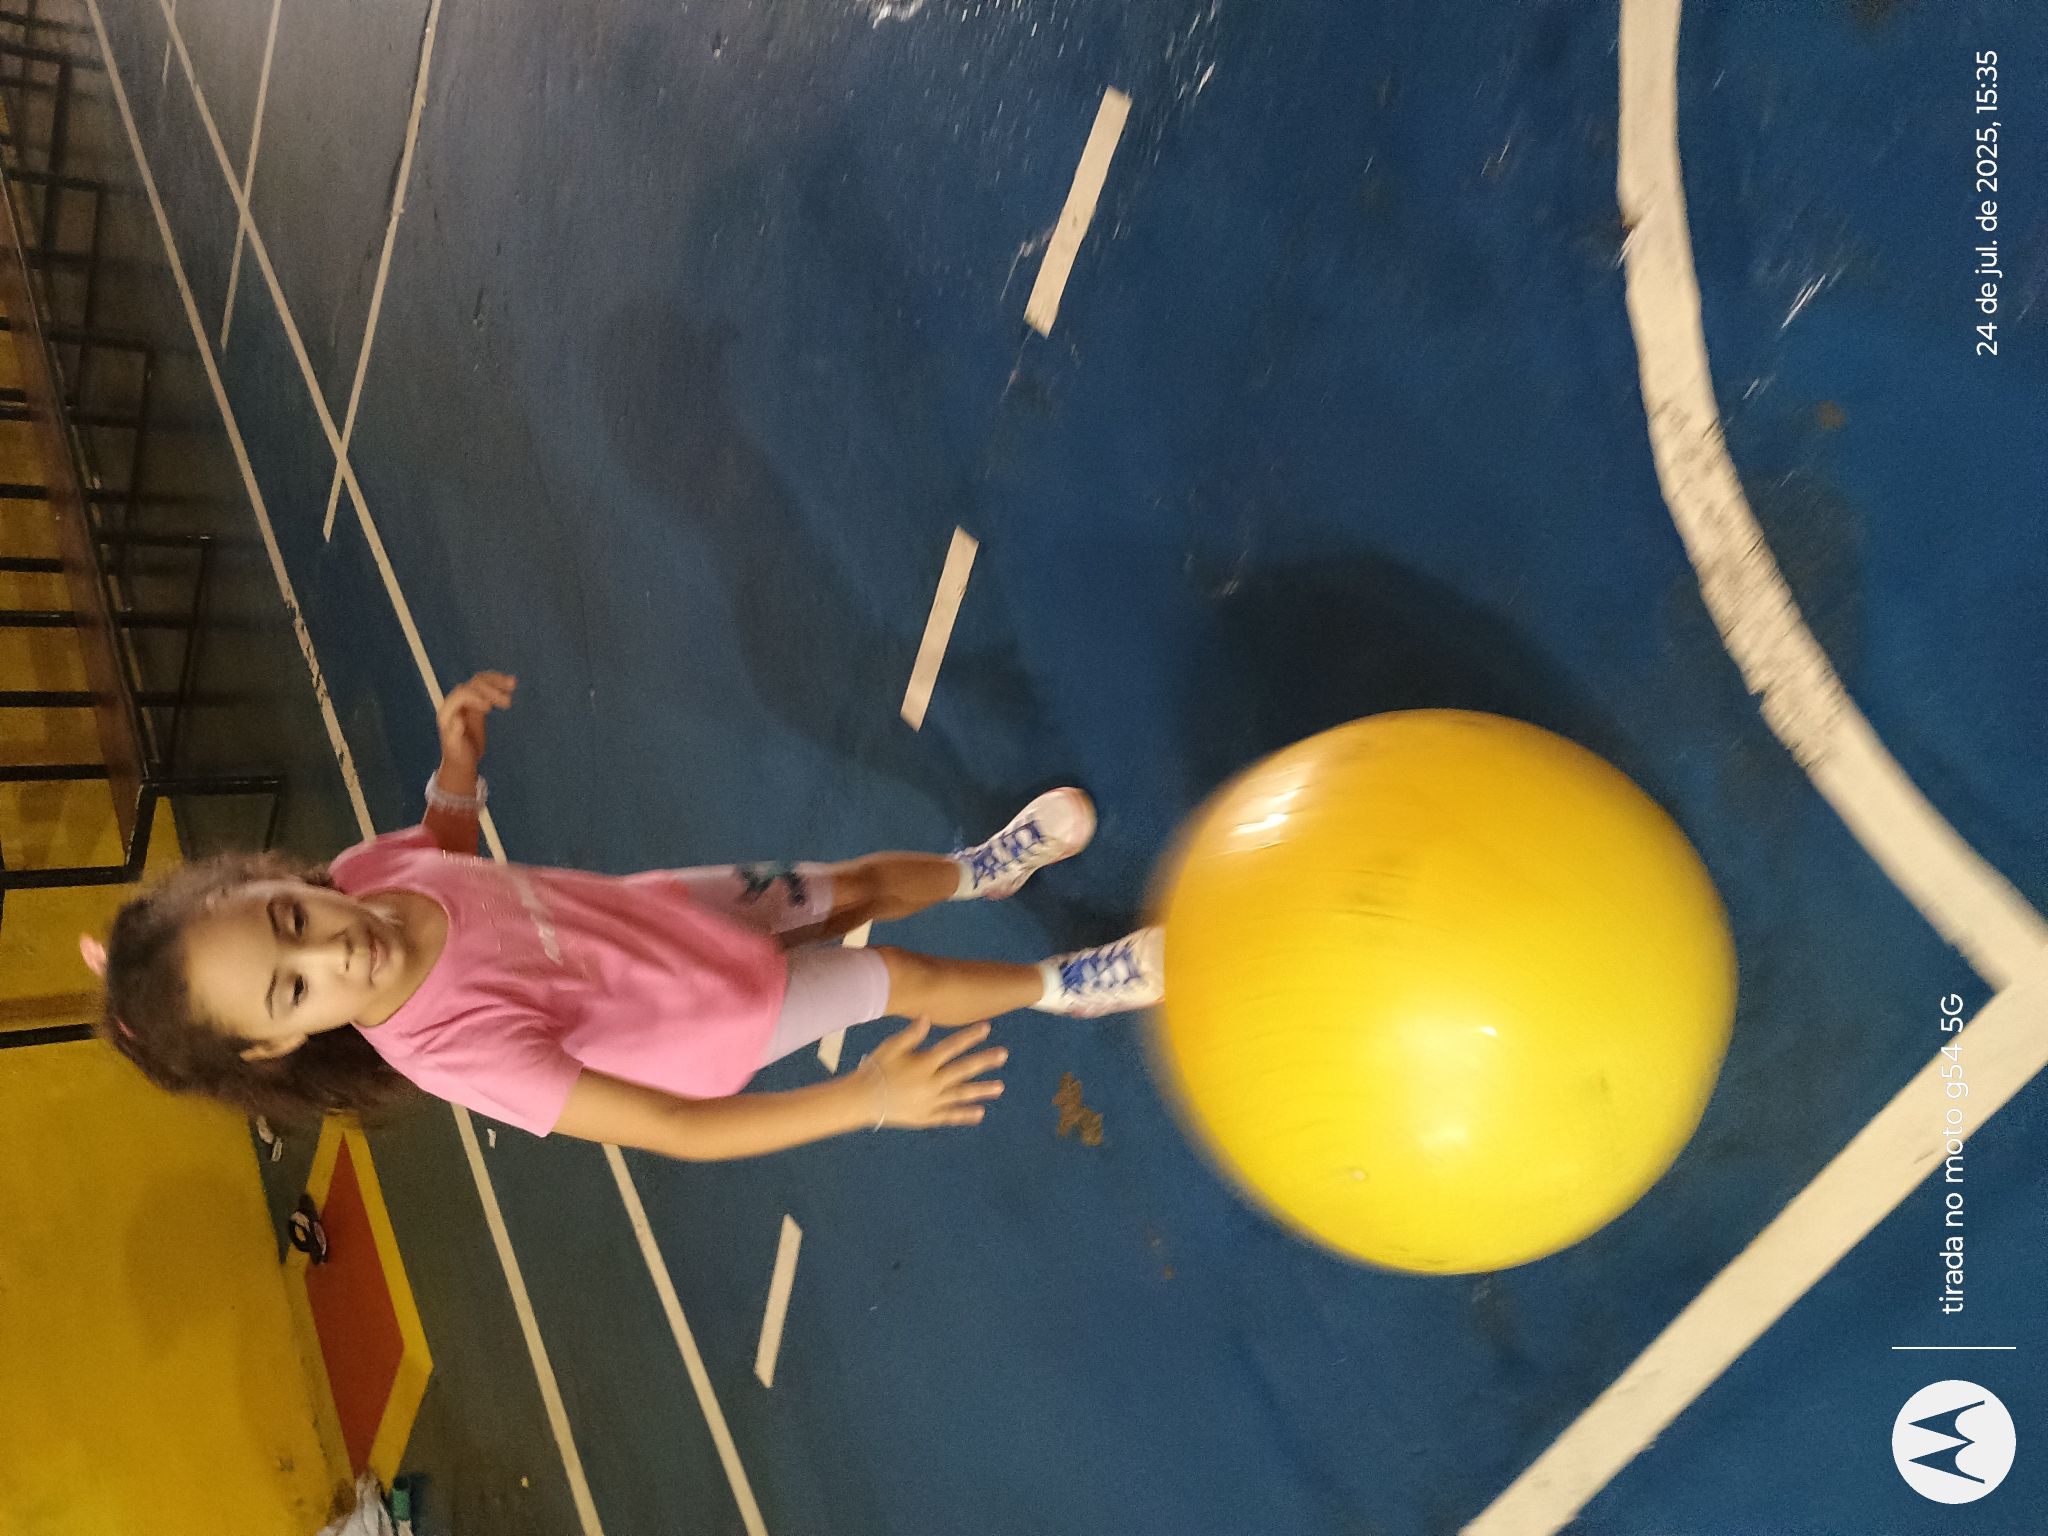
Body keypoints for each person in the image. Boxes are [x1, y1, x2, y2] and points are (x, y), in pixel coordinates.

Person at [82, 673, 1163, 1161]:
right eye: (293, 989)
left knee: (861, 886)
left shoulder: (364, 875)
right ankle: (1062, 985)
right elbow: (677, 1131)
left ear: (271, 876)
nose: (332, 945)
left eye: (288, 917)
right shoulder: (455, 1050)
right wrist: (864, 1099)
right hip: (722, 1015)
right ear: (276, 1045)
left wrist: (456, 769)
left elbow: (441, 849)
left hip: (675, 910)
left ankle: (982, 871)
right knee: (904, 980)